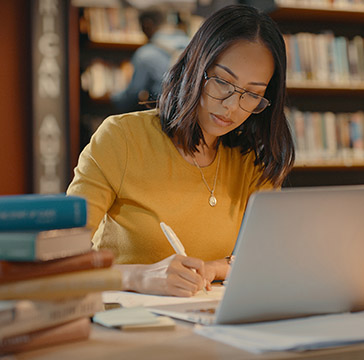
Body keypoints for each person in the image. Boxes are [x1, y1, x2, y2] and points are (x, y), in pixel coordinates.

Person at [67, 4, 295, 297]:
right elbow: (61, 258)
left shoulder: (253, 159)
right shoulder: (122, 138)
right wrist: (139, 276)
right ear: (195, 66)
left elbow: (265, 257)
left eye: (252, 94)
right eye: (223, 82)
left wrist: (214, 269)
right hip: (125, 322)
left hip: (207, 321)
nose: (232, 106)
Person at [110, 8, 190, 112]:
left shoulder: (145, 54)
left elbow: (132, 95)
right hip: (191, 114)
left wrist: (114, 98)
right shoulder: (192, 44)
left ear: (147, 24)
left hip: (166, 115)